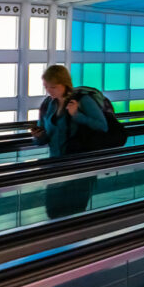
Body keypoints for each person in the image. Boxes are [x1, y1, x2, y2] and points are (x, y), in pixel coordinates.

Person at [31, 65, 108, 217]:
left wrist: (77, 115)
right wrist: (38, 137)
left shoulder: (82, 101)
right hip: (55, 166)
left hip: (80, 167)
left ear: (64, 84)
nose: (49, 91)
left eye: (53, 87)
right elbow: (43, 138)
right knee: (53, 212)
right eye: (46, 86)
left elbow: (102, 126)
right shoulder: (48, 104)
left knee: (74, 214)